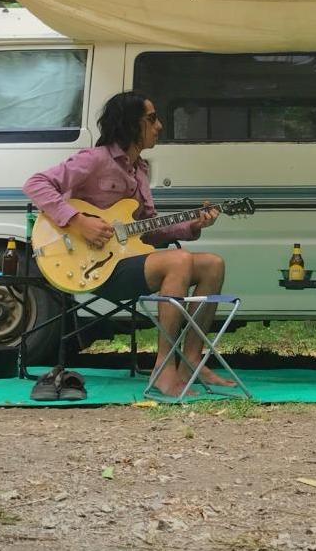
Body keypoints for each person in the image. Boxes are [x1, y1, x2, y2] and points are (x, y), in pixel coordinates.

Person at [23, 90, 233, 398]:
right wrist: (79, 222)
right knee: (179, 261)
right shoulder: (94, 160)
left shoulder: (141, 170)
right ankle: (164, 368)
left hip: (127, 261)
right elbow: (35, 184)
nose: (159, 125)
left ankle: (191, 360)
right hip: (92, 267)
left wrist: (193, 225)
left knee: (213, 264)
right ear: (129, 124)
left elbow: (147, 232)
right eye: (151, 119)